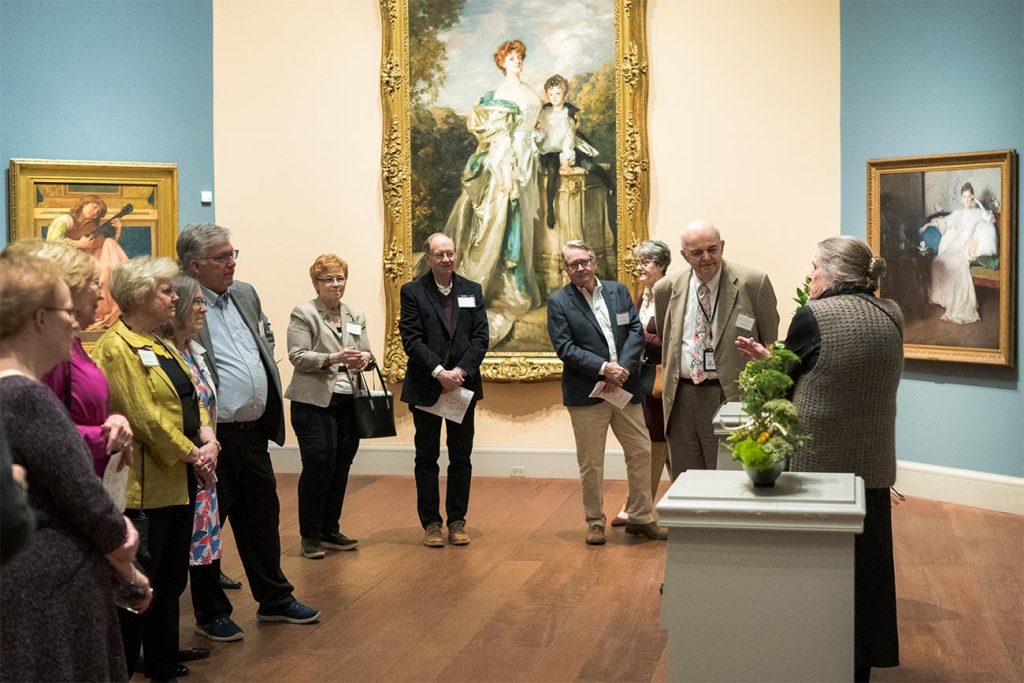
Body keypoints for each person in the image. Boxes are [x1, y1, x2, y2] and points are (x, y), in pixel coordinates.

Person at [736, 236, 902, 682]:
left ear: (831, 273)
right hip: (871, 466)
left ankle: (810, 659)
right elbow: (835, 371)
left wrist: (766, 364)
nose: (810, 277)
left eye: (813, 268)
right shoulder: (892, 314)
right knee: (867, 575)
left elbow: (783, 384)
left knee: (816, 572)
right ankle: (859, 665)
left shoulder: (815, 315)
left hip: (818, 464)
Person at [0, 252, 151, 682]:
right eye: (68, 311)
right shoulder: (25, 396)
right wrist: (126, 557)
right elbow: (84, 497)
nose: (76, 322)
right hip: (50, 584)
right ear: (39, 318)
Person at [177, 223, 320, 641]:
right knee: (207, 526)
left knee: (262, 519)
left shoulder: (245, 293)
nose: (232, 263)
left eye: (232, 253)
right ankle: (210, 612)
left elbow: (264, 335)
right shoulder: (182, 300)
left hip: (253, 432)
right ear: (194, 266)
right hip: (211, 437)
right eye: (222, 257)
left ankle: (274, 599)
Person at [93, 256, 219, 682]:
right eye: (167, 290)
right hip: (144, 487)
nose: (175, 297)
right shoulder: (117, 347)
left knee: (170, 581)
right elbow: (144, 418)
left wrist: (207, 437)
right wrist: (193, 453)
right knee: (139, 588)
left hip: (178, 479)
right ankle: (124, 669)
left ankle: (163, 663)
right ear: (141, 295)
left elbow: (193, 392)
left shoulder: (159, 341)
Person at [547, 240, 667, 546]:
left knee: (641, 451)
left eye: (584, 261)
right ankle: (595, 521)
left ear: (594, 261)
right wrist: (604, 369)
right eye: (573, 264)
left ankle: (640, 517)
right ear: (566, 269)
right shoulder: (559, 302)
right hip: (588, 393)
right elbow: (566, 349)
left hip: (625, 388)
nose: (580, 268)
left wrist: (622, 369)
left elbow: (635, 334)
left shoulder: (617, 291)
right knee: (592, 462)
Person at [654, 219, 779, 478]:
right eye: (697, 253)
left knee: (728, 476)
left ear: (722, 245)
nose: (707, 257)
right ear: (684, 255)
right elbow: (668, 343)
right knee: (685, 477)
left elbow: (770, 343)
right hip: (682, 396)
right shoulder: (666, 289)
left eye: (712, 249)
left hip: (729, 394)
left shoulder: (753, 283)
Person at [1, 239, 135, 478]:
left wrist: (114, 421)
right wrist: (104, 436)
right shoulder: (49, 349)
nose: (102, 295)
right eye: (93, 283)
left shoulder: (71, 342)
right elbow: (39, 433)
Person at [445, 39, 542, 346]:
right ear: (501, 62)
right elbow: (501, 140)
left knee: (524, 223)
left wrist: (536, 133)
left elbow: (531, 125)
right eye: (511, 58)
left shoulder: (528, 90)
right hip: (508, 163)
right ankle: (492, 289)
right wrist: (507, 173)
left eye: (520, 57)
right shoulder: (501, 95)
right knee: (501, 223)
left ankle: (517, 284)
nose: (517, 61)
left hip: (529, 160)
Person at [399, 233, 488, 548]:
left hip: (462, 387)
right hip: (427, 385)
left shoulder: (472, 290)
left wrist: (459, 373)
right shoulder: (412, 291)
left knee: (461, 457)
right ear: (428, 258)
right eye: (440, 254)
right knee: (427, 457)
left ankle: (457, 521)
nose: (446, 259)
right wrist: (439, 372)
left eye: (450, 253)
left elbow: (480, 338)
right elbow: (412, 339)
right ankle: (432, 524)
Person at [285, 254, 374, 559]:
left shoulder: (355, 315)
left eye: (340, 278)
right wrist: (332, 358)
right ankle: (309, 535)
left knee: (341, 464)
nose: (336, 284)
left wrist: (365, 359)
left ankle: (330, 530)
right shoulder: (305, 313)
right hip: (313, 402)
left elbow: (367, 353)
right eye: (329, 279)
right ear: (316, 283)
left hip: (350, 401)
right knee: (318, 465)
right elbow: (297, 355)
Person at [612, 240, 672, 528]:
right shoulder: (642, 296)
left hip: (661, 380)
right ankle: (637, 503)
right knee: (650, 441)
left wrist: (637, 337)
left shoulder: (670, 294)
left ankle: (638, 506)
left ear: (660, 265)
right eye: (637, 262)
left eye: (645, 262)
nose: (639, 268)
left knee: (655, 441)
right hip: (642, 379)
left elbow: (671, 341)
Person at [535, 74, 614, 229]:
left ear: (566, 95)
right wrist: (537, 131)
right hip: (549, 151)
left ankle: (609, 185)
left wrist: (566, 160)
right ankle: (550, 211)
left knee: (589, 166)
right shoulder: (544, 113)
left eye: (558, 94)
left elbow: (568, 140)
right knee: (551, 173)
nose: (554, 97)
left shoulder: (568, 114)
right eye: (551, 94)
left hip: (568, 149)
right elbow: (541, 137)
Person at [917, 182, 998, 324]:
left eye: (969, 197)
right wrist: (928, 224)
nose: (966, 200)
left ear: (972, 197)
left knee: (957, 265)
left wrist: (978, 202)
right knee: (938, 262)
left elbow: (989, 218)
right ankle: (946, 300)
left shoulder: (977, 213)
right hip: (955, 244)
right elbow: (944, 222)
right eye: (964, 197)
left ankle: (956, 304)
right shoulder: (958, 214)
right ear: (961, 198)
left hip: (967, 247)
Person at [46, 194, 129, 328]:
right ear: (84, 204)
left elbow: (101, 250)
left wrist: (116, 235)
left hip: (86, 263)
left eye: (99, 211)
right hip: (65, 263)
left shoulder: (92, 227)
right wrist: (78, 244)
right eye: (94, 206)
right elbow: (52, 243)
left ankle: (111, 308)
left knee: (108, 247)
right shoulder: (65, 220)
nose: (95, 212)